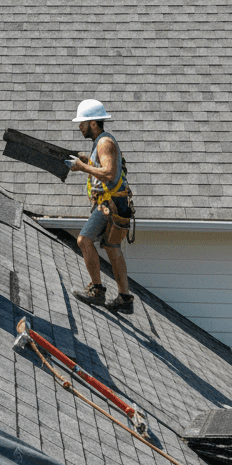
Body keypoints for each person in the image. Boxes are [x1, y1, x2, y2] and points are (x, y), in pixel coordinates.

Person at [65, 99, 136, 314]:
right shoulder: (101, 142)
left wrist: (82, 167)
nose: (80, 127)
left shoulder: (104, 143)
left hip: (110, 204)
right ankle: (125, 298)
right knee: (112, 247)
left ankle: (97, 290)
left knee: (84, 239)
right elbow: (107, 168)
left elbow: (109, 173)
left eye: (82, 123)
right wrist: (87, 160)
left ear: (93, 124)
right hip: (118, 203)